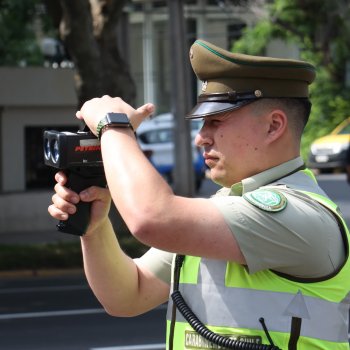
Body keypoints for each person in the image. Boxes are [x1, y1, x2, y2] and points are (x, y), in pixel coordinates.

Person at [48, 39, 350, 350]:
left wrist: (113, 126)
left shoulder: (299, 214)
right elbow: (129, 295)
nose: (200, 139)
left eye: (215, 121)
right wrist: (95, 229)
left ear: (274, 126)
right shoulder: (228, 207)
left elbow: (152, 219)